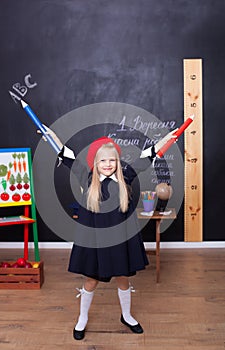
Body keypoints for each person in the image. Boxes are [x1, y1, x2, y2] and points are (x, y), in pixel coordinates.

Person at [39, 127, 175, 340]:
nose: (108, 164)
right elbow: (64, 152)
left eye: (112, 160)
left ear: (117, 162)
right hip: (95, 242)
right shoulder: (86, 176)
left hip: (120, 240)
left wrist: (169, 138)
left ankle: (127, 315)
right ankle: (82, 318)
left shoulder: (126, 176)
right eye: (103, 161)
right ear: (95, 162)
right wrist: (49, 134)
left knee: (123, 279)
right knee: (91, 281)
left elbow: (149, 154)